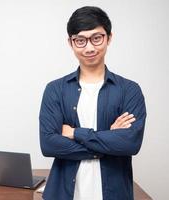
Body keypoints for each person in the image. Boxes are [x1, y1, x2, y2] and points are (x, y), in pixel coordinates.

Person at [39, 6, 147, 200]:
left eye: (96, 38)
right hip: (63, 195)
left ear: (109, 37)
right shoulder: (55, 89)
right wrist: (108, 141)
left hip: (114, 194)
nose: (89, 47)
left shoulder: (129, 90)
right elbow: (49, 145)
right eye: (80, 40)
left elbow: (130, 144)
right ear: (70, 43)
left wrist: (74, 133)